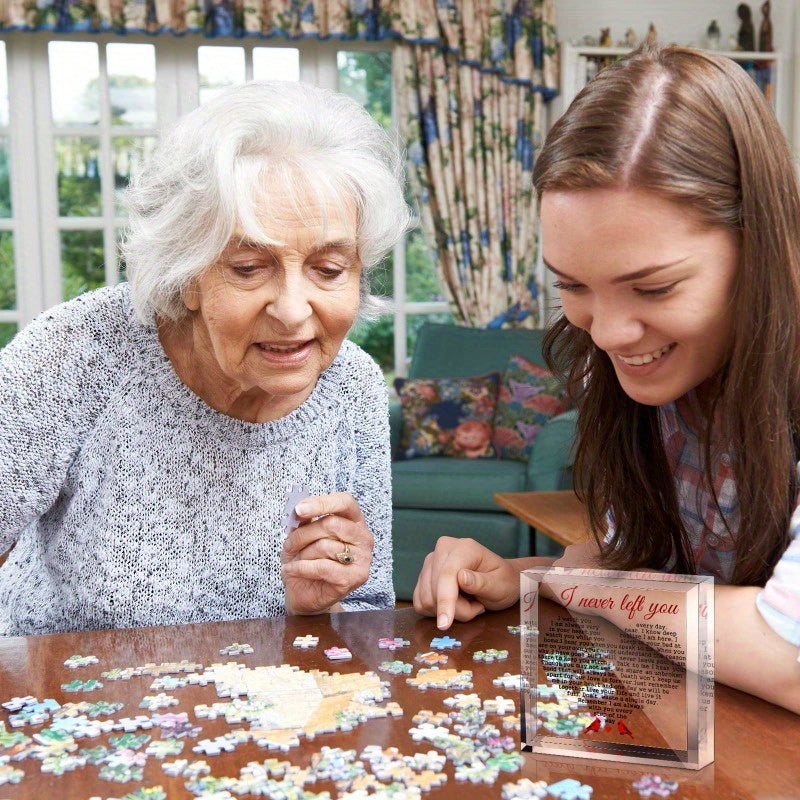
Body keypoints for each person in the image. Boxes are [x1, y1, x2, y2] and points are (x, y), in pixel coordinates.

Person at [413, 45, 800, 713]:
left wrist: (580, 585)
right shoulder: (641, 366)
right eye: (573, 285)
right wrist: (516, 578)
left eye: (652, 286)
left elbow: (786, 652)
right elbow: (632, 572)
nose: (608, 332)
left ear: (759, 249)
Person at [0, 80, 412, 635]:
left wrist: (318, 606)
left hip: (263, 715)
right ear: (186, 273)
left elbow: (365, 616)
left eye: (329, 269)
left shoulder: (353, 386)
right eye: (248, 268)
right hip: (63, 706)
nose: (293, 311)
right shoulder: (74, 354)